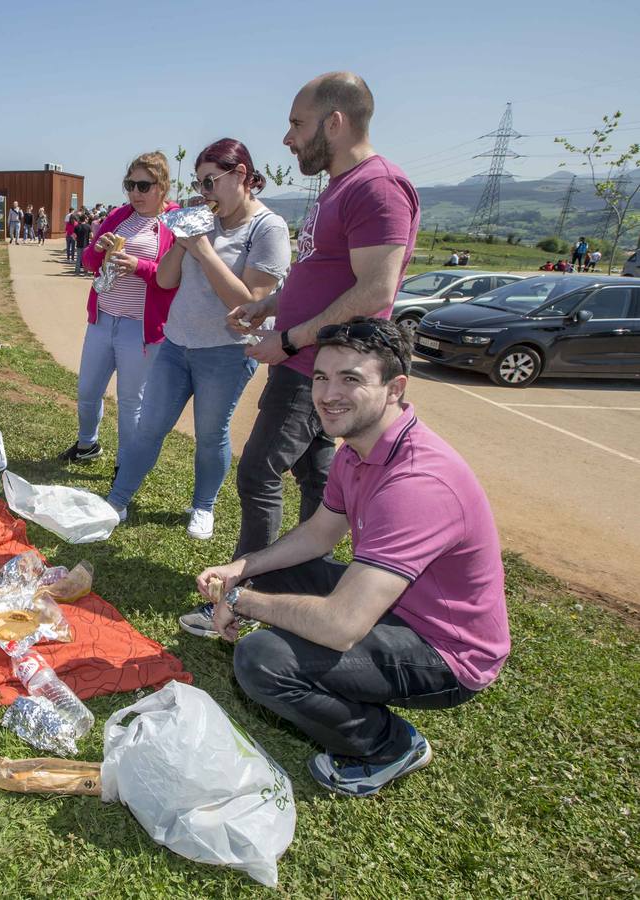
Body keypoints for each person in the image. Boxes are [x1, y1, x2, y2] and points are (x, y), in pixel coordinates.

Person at [196, 317, 509, 797]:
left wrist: (240, 599)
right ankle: (326, 670)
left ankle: (387, 746)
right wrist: (246, 567)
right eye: (321, 377)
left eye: (351, 379)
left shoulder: (418, 484)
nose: (328, 394)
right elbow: (320, 533)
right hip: (398, 607)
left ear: (393, 388)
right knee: (283, 567)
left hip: (448, 650)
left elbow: (341, 625)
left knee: (263, 660)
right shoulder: (357, 448)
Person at [226, 71, 419, 565]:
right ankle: (310, 576)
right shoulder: (340, 186)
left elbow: (377, 288)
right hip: (309, 360)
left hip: (317, 362)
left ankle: (248, 589)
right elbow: (324, 273)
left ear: (334, 123)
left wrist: (290, 340)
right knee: (316, 479)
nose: (288, 138)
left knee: (257, 472)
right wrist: (269, 305)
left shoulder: (378, 187)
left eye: (297, 124)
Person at [106, 139, 291, 540]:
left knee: (210, 434)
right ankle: (117, 500)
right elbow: (165, 279)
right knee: (149, 426)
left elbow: (250, 305)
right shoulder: (202, 220)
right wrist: (181, 239)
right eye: (200, 183)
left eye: (211, 182)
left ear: (240, 176)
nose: (204, 192)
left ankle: (202, 506)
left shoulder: (268, 228)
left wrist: (203, 249)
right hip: (176, 344)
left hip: (225, 352)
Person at [59, 151, 178, 468]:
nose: (135, 193)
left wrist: (139, 266)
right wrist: (98, 252)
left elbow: (173, 280)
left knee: (130, 403)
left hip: (139, 329)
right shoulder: (119, 216)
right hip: (103, 320)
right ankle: (88, 445)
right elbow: (88, 263)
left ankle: (126, 466)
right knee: (87, 392)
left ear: (162, 186)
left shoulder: (172, 224)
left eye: (143, 185)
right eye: (130, 184)